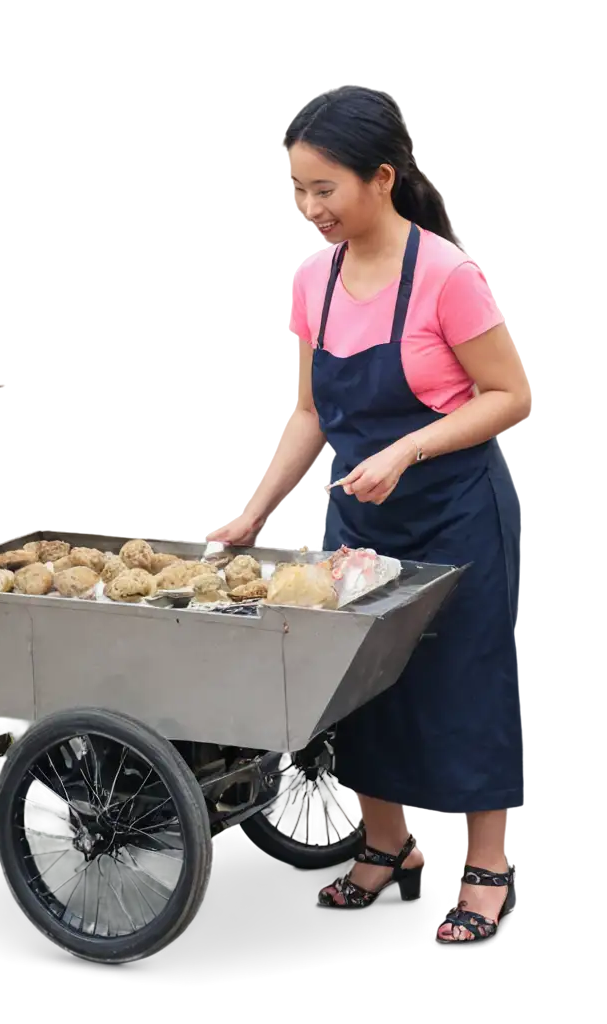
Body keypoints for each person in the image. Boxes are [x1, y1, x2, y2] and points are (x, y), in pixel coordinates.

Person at [210, 86, 532, 946]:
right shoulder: (311, 279)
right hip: (360, 528)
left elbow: (510, 394)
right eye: (295, 188)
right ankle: (388, 845)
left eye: (324, 189)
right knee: (358, 691)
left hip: (455, 518)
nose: (307, 208)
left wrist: (407, 450)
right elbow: (310, 413)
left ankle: (489, 867)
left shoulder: (446, 275)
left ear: (381, 178)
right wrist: (252, 510)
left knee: (465, 686)